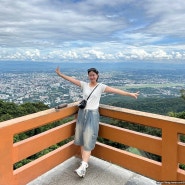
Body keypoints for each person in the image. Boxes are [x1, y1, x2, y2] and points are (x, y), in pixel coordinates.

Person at [55, 67, 139, 178]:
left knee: (89, 140)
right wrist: (60, 74)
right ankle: (83, 165)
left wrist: (130, 94)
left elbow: (115, 90)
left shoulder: (101, 87)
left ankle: (83, 166)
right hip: (81, 114)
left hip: (92, 115)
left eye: (94, 75)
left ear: (97, 76)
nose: (92, 77)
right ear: (88, 76)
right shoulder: (84, 85)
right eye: (90, 75)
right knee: (81, 139)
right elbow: (71, 79)